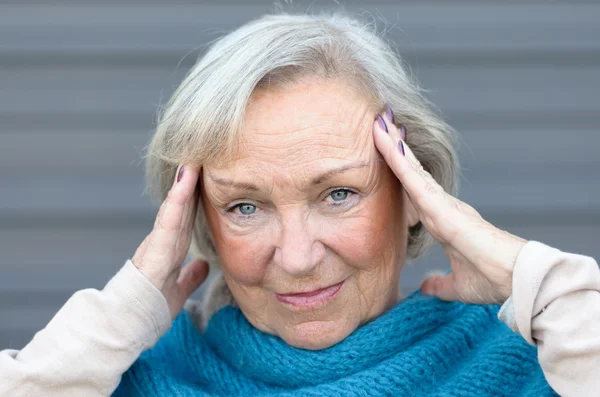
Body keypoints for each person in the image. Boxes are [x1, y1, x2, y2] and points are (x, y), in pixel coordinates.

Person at [1, 12, 599, 397]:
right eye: (245, 207)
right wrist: (120, 316)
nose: (296, 256)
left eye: (338, 194)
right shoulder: (133, 380)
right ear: (195, 220)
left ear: (417, 194)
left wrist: (538, 284)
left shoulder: (540, 368)